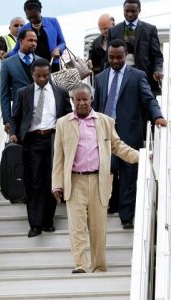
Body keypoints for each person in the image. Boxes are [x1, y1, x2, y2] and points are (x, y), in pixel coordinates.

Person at [52, 83, 139, 273]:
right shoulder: (62, 123)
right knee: (77, 227)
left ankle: (99, 266)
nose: (82, 103)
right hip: (74, 181)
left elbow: (118, 147)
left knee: (98, 228)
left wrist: (141, 157)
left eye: (85, 99)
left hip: (99, 181)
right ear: (73, 101)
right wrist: (57, 184)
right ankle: (81, 265)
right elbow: (58, 157)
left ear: (91, 99)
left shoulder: (105, 121)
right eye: (78, 100)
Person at [93, 39, 167, 228]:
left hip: (129, 131)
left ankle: (126, 217)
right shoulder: (100, 77)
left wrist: (157, 116)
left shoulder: (137, 75)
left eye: (119, 57)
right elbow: (97, 105)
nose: (115, 61)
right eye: (111, 57)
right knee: (109, 169)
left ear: (126, 55)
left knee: (128, 174)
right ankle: (112, 204)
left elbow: (148, 99)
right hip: (105, 131)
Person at [10, 58, 72, 238]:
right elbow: (16, 117)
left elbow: (68, 115)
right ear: (32, 75)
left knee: (51, 182)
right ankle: (35, 224)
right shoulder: (24, 92)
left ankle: (47, 221)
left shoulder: (60, 92)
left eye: (46, 75)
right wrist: (13, 133)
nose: (43, 79)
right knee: (34, 182)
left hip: (54, 140)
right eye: (38, 76)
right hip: (32, 140)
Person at [107, 0, 163, 96]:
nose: (129, 14)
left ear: (139, 10)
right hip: (119, 78)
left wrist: (158, 69)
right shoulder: (113, 31)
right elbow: (107, 58)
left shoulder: (150, 30)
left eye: (133, 11)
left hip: (144, 77)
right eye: (127, 11)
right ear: (123, 10)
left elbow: (157, 55)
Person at [6, 0, 66, 72]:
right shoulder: (23, 29)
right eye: (29, 18)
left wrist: (57, 49)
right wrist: (7, 55)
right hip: (34, 67)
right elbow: (17, 49)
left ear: (40, 11)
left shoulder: (53, 22)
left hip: (53, 64)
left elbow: (62, 43)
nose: (32, 20)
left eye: (35, 17)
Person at [0, 29, 41, 134]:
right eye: (30, 40)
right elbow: (4, 94)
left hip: (41, 115)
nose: (34, 44)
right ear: (21, 41)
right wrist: (7, 120)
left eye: (35, 41)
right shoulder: (7, 63)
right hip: (19, 116)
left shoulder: (41, 62)